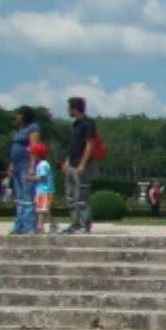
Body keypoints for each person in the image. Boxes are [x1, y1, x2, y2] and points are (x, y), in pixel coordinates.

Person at [65, 96, 98, 235]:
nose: (68, 111)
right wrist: (67, 161)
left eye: (69, 108)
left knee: (81, 196)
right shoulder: (75, 124)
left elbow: (90, 144)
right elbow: (73, 145)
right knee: (71, 197)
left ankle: (84, 224)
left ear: (74, 109)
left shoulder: (88, 123)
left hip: (81, 164)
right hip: (71, 163)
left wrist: (83, 163)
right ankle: (75, 223)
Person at [8, 108, 39, 235]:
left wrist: (32, 167)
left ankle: (29, 226)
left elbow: (34, 148)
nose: (17, 116)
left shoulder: (33, 129)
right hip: (16, 166)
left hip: (26, 165)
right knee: (19, 198)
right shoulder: (20, 130)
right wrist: (11, 165)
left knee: (27, 198)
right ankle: (19, 225)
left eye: (19, 114)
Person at [30, 141, 56, 234]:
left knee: (44, 209)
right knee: (40, 210)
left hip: (46, 191)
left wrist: (32, 178)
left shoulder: (43, 164)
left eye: (33, 153)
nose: (32, 155)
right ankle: (40, 226)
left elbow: (43, 177)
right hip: (41, 190)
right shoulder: (40, 164)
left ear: (38, 155)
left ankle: (53, 223)